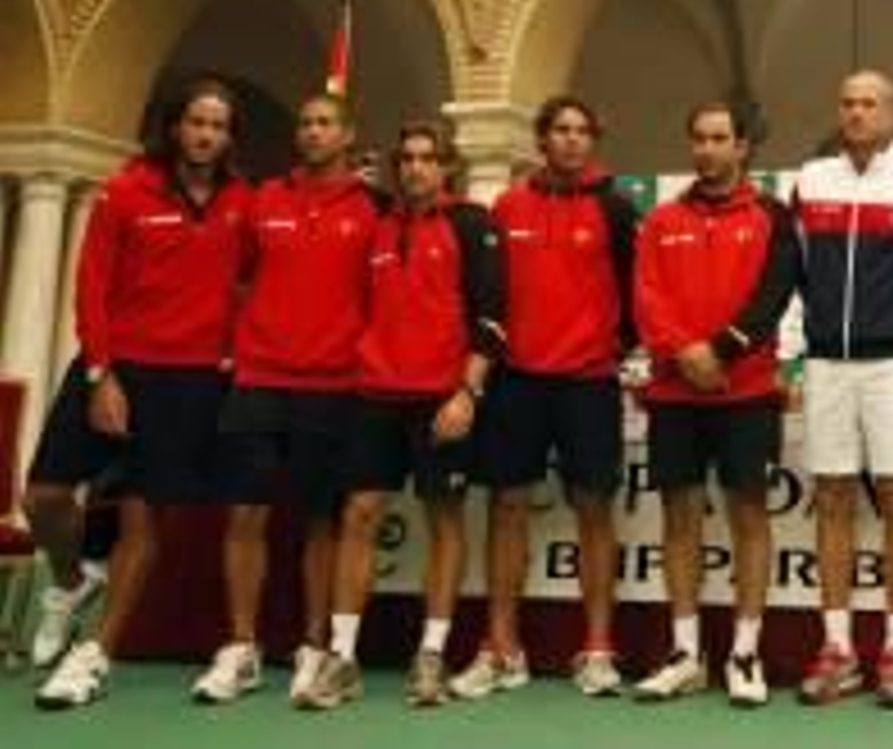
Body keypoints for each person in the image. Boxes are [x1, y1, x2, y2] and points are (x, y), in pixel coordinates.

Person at [29, 78, 252, 709]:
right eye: (197, 122)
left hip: (192, 381)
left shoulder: (243, 202)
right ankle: (71, 581)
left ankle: (95, 654)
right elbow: (91, 284)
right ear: (175, 127)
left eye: (218, 126)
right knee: (43, 497)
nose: (206, 135)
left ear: (229, 138)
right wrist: (102, 373)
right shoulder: (125, 191)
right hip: (116, 367)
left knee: (141, 519)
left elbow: (268, 276)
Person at [300, 121, 504, 710]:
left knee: (445, 518)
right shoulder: (376, 223)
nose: (416, 168)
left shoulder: (472, 224)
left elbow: (492, 317)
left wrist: (466, 394)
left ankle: (431, 655)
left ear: (447, 167)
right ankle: (342, 657)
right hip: (374, 393)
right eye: (407, 159)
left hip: (443, 396)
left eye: (427, 158)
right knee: (359, 514)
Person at [191, 92, 380, 707]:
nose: (313, 132)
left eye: (325, 123)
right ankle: (242, 647)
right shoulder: (264, 198)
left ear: (347, 134)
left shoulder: (371, 207)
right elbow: (238, 276)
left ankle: (313, 646)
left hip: (334, 385)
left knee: (321, 521)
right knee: (245, 514)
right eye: (305, 124)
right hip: (259, 378)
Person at [451, 95, 638, 700]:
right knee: (507, 507)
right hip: (517, 380)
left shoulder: (615, 207)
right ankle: (502, 647)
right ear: (541, 139)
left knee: (594, 509)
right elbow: (488, 293)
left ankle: (598, 648)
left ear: (594, 141)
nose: (572, 140)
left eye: (582, 131)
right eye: (561, 130)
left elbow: (636, 291)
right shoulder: (508, 206)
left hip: (588, 380)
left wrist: (613, 346)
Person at [630, 102, 799, 708]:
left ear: (742, 147)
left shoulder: (772, 216)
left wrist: (719, 351)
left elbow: (772, 296)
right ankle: (685, 655)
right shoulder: (661, 220)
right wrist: (683, 351)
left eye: (719, 138)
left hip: (746, 390)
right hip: (674, 390)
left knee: (749, 515)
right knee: (679, 518)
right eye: (699, 139)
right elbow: (646, 295)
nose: (707, 149)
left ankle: (744, 653)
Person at [792, 70, 893, 708]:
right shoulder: (811, 180)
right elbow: (797, 271)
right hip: (827, 361)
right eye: (848, 103)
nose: (857, 113)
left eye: (869, 104)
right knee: (831, 497)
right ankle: (838, 649)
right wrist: (797, 354)